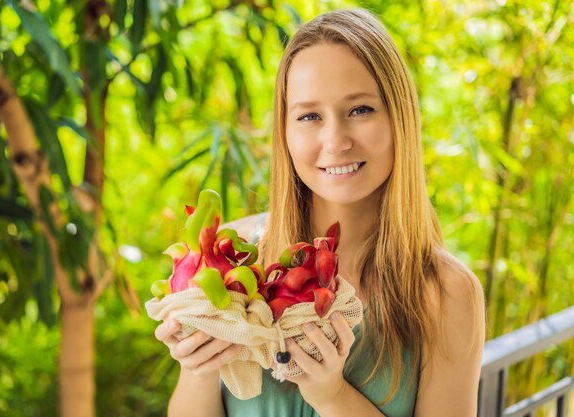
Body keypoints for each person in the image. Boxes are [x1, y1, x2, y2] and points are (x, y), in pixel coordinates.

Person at [155, 8, 485, 417]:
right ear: (286, 132)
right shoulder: (235, 260)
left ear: (399, 118)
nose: (335, 140)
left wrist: (333, 397)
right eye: (310, 116)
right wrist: (199, 367)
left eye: (360, 109)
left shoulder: (446, 293)